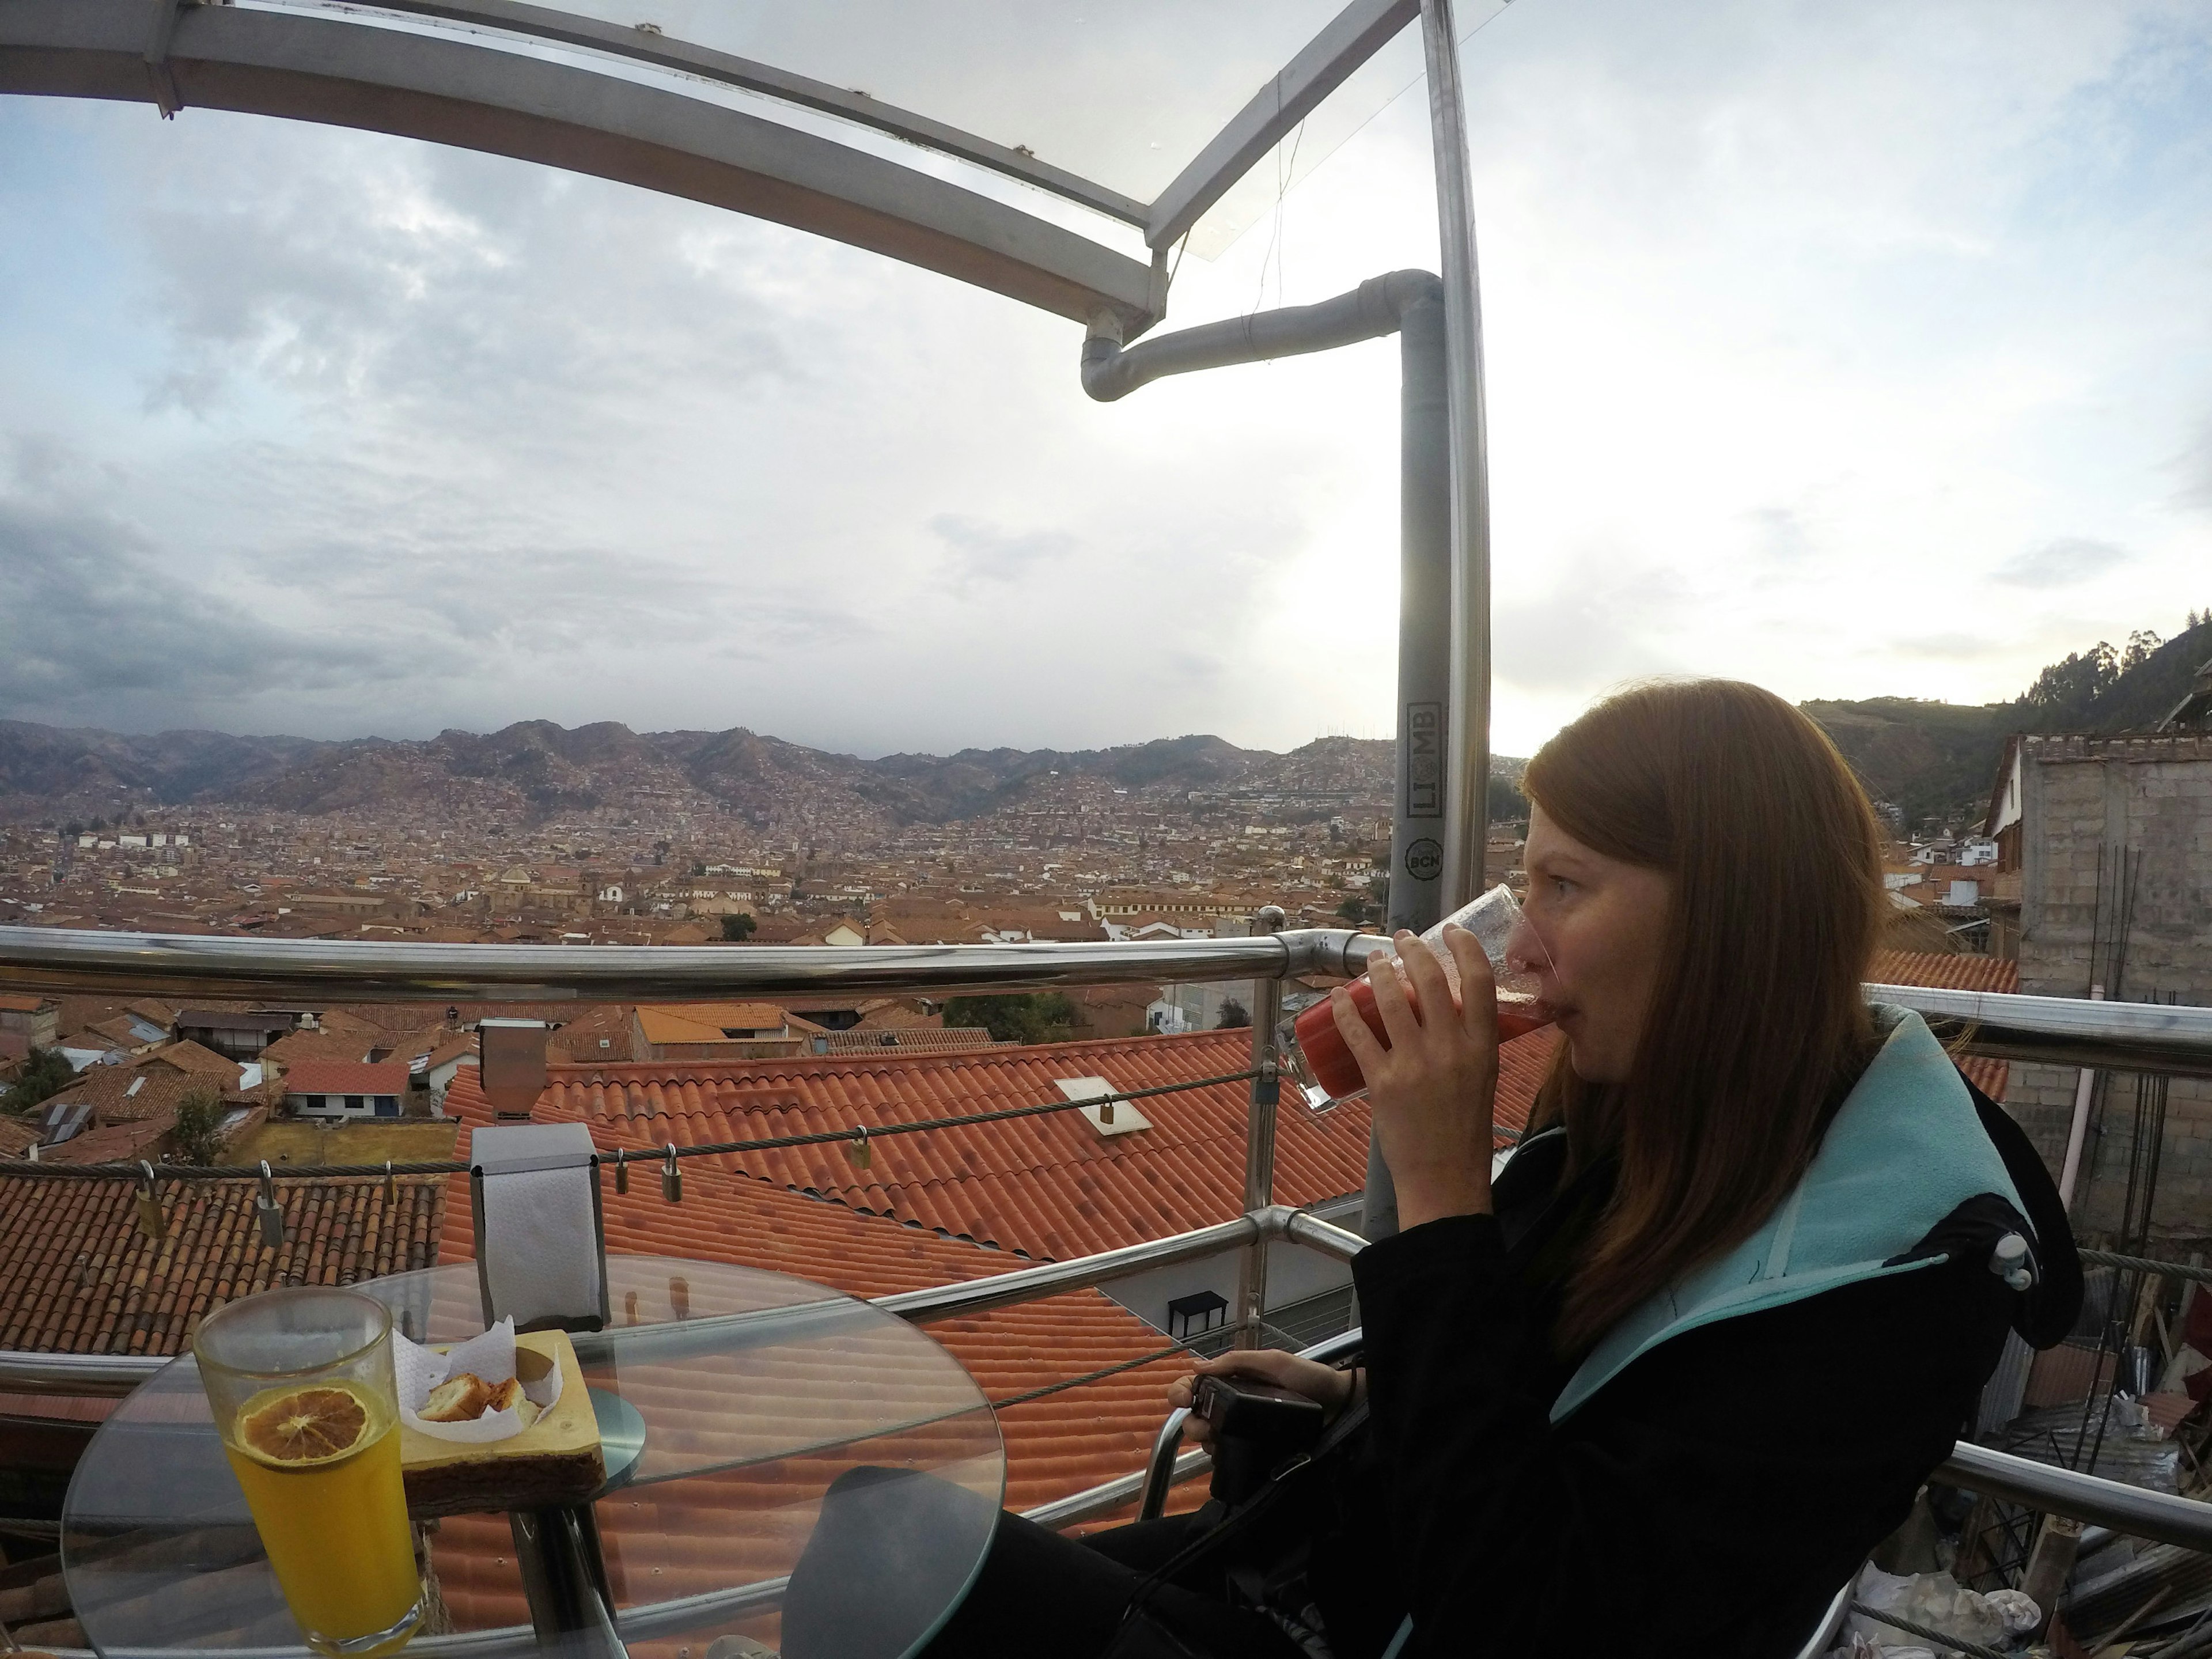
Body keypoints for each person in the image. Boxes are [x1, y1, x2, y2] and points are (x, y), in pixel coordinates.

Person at [783, 679, 2080, 1659]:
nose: (1524, 947)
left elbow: (1529, 1613)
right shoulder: (1657, 1112)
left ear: (1730, 915)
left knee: (891, 1561)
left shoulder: (1906, 1277)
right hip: (1325, 1568)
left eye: (1564, 886)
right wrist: (1356, 1399)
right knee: (878, 1529)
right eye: (1525, 887)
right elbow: (1534, 1396)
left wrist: (1443, 1192)